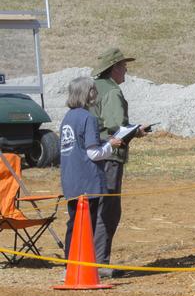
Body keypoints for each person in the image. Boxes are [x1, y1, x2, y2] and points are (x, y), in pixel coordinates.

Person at [91, 47, 149, 272]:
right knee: (109, 210)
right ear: (113, 68)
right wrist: (137, 131)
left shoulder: (93, 87)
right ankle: (99, 263)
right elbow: (116, 125)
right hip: (110, 155)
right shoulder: (112, 92)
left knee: (94, 207)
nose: (126, 69)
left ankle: (87, 260)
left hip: (92, 154)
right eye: (123, 65)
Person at [60, 76, 122, 264]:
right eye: (93, 90)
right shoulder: (88, 118)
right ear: (87, 93)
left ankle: (70, 267)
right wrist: (111, 145)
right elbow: (93, 153)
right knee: (87, 226)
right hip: (88, 181)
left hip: (70, 180)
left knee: (73, 225)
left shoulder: (67, 118)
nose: (96, 93)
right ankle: (84, 267)